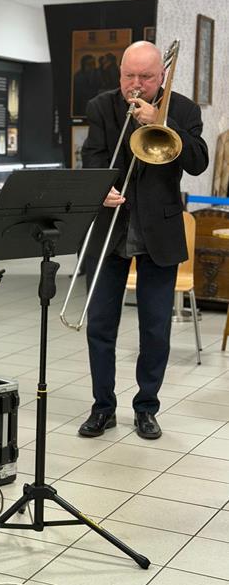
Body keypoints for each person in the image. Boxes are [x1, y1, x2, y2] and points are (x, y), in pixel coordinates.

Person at [78, 41, 208, 440]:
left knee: (155, 329)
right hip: (111, 226)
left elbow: (198, 161)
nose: (136, 84)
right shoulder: (101, 106)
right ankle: (103, 407)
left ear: (162, 76)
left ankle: (146, 408)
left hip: (160, 231)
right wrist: (99, 188)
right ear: (119, 74)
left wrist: (164, 123)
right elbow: (92, 156)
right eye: (128, 76)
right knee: (101, 326)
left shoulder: (184, 109)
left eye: (146, 77)